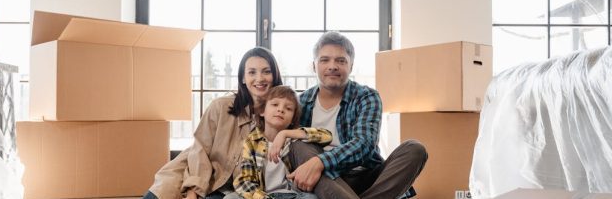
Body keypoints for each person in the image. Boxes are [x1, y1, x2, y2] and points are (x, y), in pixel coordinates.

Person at [285, 32, 428, 199]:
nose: (333, 66)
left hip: (365, 175)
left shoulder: (366, 96)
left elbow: (364, 144)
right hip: (326, 181)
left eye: (341, 60)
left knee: (415, 149)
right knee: (299, 145)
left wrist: (321, 162)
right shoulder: (301, 102)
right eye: (325, 60)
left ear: (351, 66)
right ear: (314, 66)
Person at [144, 47, 284, 199]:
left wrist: (285, 133)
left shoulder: (281, 115)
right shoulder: (221, 106)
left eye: (266, 71)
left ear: (275, 76)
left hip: (230, 190)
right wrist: (193, 189)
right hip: (193, 173)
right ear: (243, 78)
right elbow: (200, 148)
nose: (259, 78)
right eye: (252, 72)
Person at [227, 85, 331, 199]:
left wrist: (285, 134)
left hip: (291, 194)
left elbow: (327, 136)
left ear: (292, 119)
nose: (281, 109)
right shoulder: (251, 142)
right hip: (262, 194)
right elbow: (244, 181)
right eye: (275, 104)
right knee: (230, 198)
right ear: (262, 111)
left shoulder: (293, 139)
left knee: (311, 198)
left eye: (288, 108)